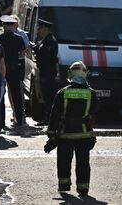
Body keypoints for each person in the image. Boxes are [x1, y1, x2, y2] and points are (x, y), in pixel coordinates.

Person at [46, 61, 98, 196]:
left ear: (70, 74)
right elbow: (93, 114)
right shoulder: (91, 93)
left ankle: (64, 185)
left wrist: (51, 134)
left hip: (65, 134)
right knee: (83, 163)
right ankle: (83, 188)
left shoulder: (62, 93)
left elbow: (55, 115)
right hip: (84, 134)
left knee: (63, 161)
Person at [0, 15, 26, 127]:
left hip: (0, 69)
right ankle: (19, 120)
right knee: (16, 95)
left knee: (0, 95)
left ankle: (1, 120)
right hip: (14, 69)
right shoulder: (18, 38)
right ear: (13, 26)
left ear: (3, 26)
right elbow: (22, 54)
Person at [34, 18, 58, 125]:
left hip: (48, 73)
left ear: (46, 29)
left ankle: (49, 119)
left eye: (41, 28)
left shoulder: (50, 42)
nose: (39, 31)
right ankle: (47, 117)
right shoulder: (44, 41)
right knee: (45, 96)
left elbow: (48, 58)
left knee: (49, 97)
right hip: (44, 73)